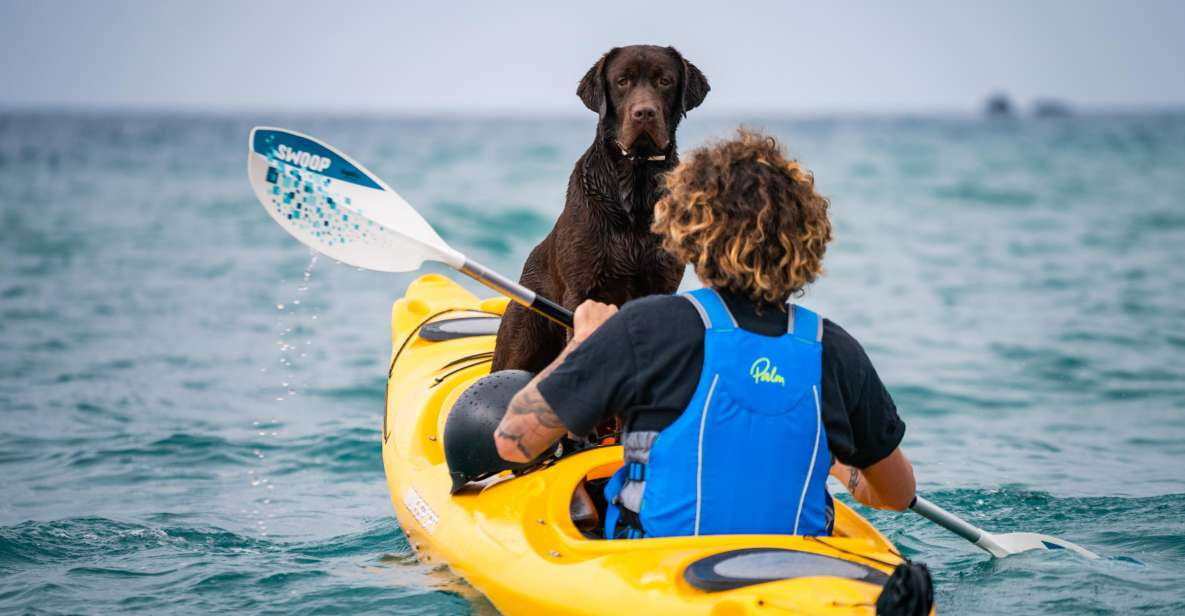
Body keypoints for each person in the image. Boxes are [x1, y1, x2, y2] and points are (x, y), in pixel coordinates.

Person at [493, 129, 915, 539]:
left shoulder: (645, 328)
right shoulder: (836, 351)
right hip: (797, 571)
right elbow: (898, 494)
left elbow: (514, 441)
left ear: (689, 231)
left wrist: (584, 342)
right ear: (809, 240)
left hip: (657, 569)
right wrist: (839, 464)